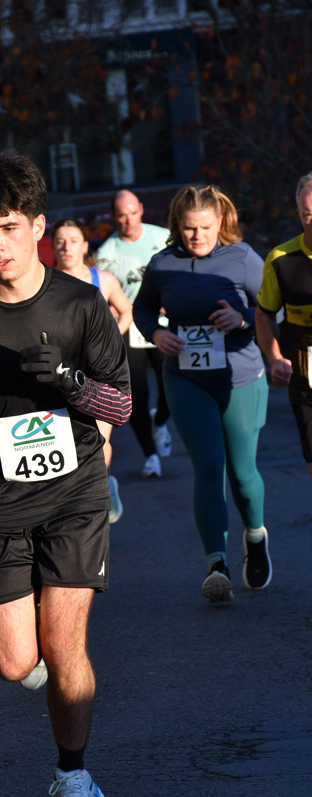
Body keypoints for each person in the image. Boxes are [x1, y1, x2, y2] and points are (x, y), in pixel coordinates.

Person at [0, 150, 132, 797]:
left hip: (73, 494)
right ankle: (36, 649)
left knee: (65, 647)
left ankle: (73, 776)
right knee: (14, 663)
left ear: (38, 226)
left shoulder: (79, 304)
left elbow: (121, 405)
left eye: (9, 227)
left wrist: (70, 384)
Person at [133, 185, 271, 603]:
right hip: (185, 377)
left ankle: (255, 536)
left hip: (240, 376)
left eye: (206, 228)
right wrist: (156, 333)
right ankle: (217, 564)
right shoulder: (162, 263)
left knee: (242, 474)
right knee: (209, 466)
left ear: (220, 222)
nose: (197, 236)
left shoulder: (242, 258)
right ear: (178, 225)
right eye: (190, 228)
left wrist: (242, 317)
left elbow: (272, 308)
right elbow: (142, 309)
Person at [51, 217, 133, 523]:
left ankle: (100, 490)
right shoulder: (44, 281)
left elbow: (127, 311)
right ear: (52, 246)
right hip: (61, 374)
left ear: (85, 246)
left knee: (99, 438)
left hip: (99, 374)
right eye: (60, 241)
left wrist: (111, 339)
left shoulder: (104, 280)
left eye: (73, 241)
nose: (67, 247)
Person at [96, 190, 172, 479]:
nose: (128, 220)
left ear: (141, 208)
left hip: (162, 323)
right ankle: (150, 455)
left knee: (170, 385)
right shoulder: (107, 252)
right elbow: (101, 295)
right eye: (121, 215)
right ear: (113, 217)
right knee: (137, 394)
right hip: (130, 327)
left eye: (132, 212)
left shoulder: (163, 238)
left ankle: (161, 421)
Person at [255, 172, 312, 478]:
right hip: (306, 378)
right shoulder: (281, 259)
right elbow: (264, 314)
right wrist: (275, 357)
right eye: (307, 215)